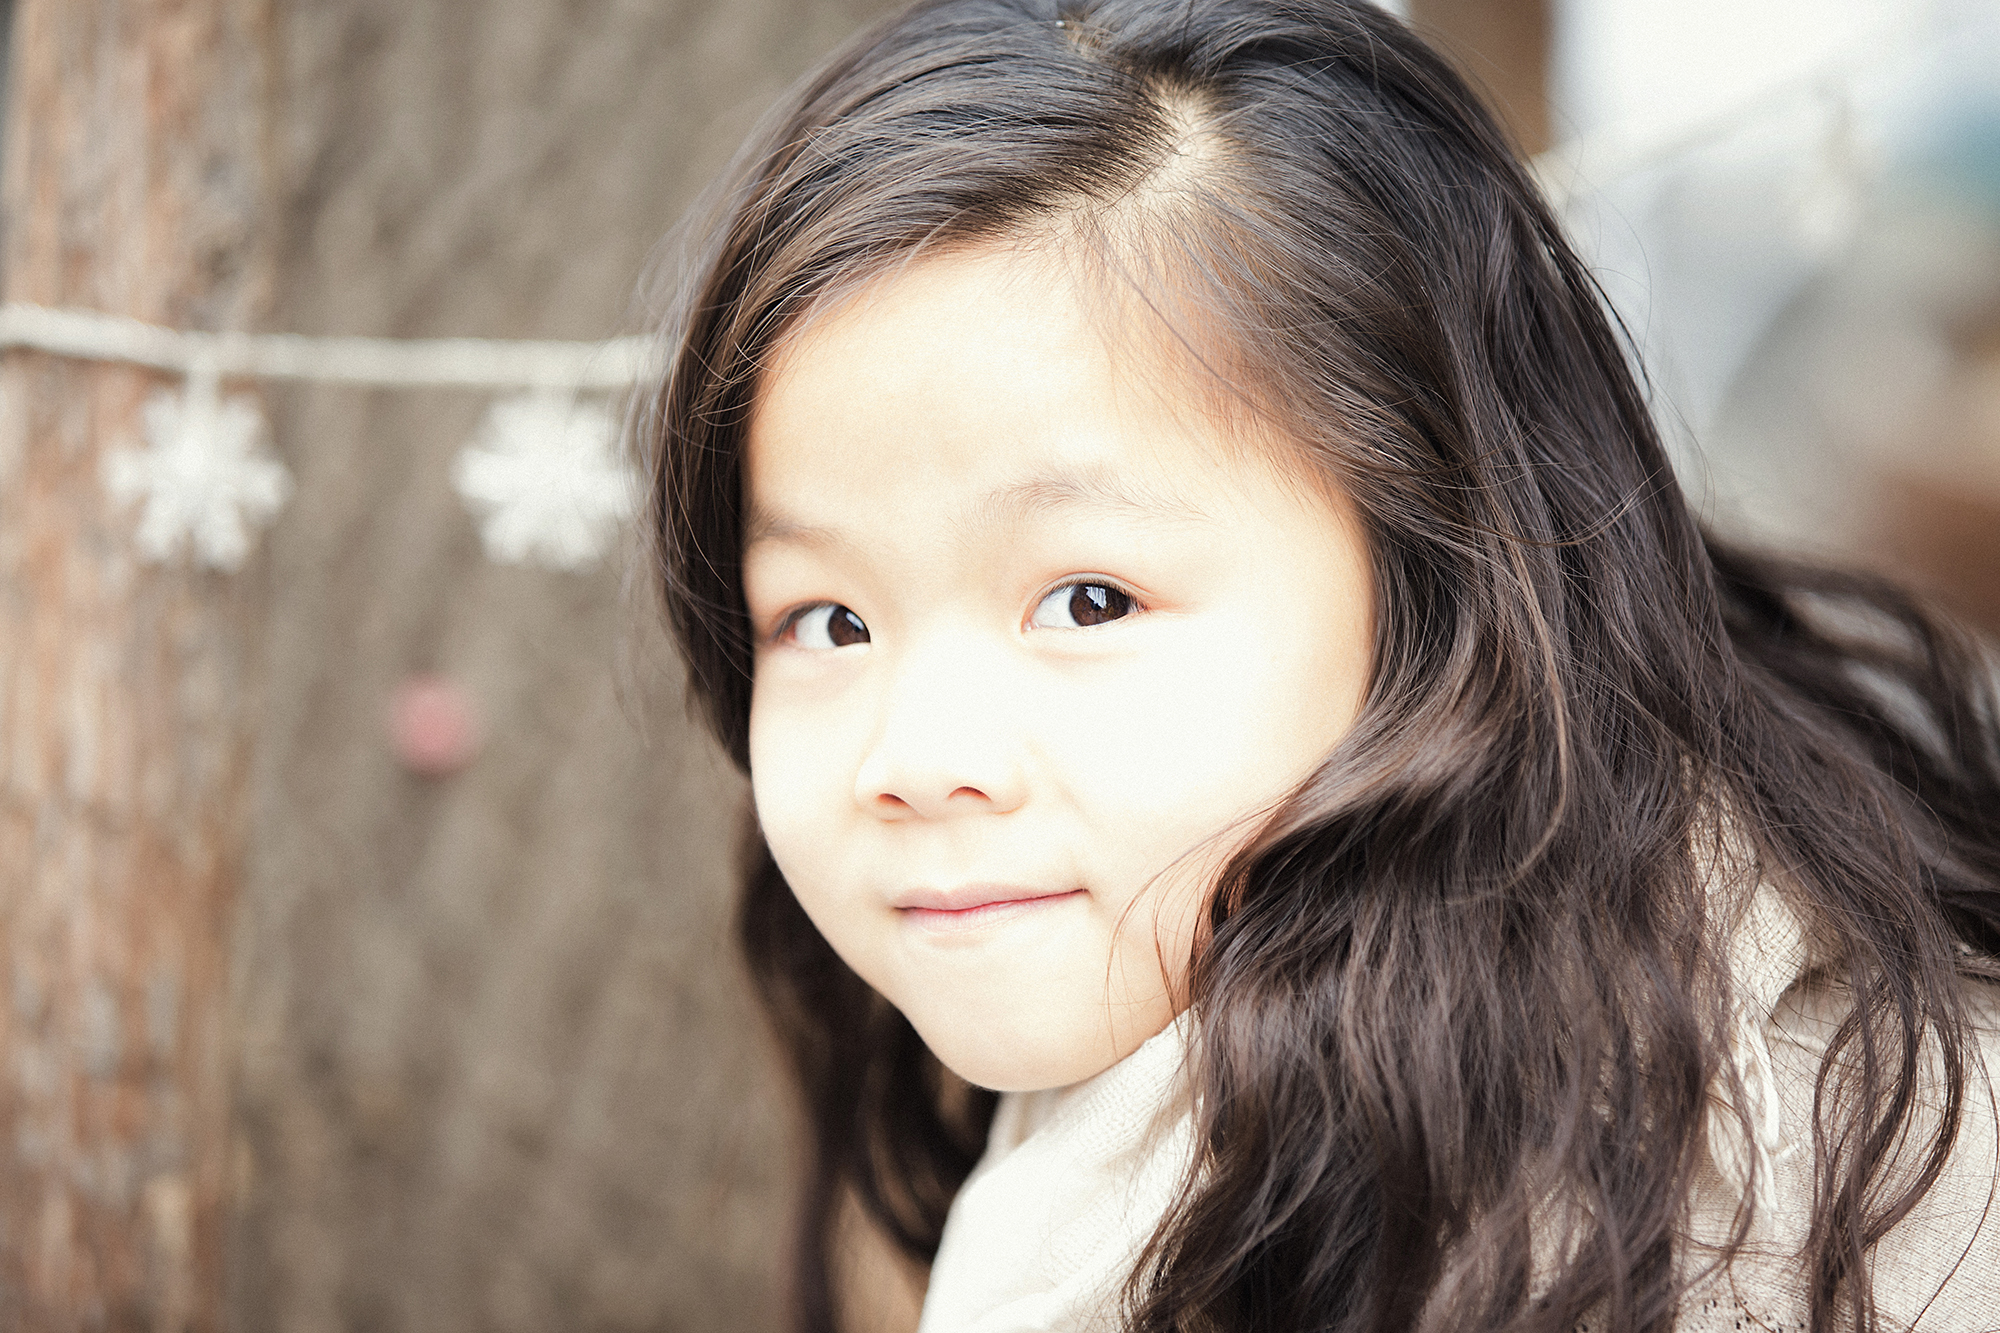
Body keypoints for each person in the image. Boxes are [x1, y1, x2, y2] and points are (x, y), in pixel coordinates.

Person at [642, 2, 2000, 1330]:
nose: (916, 760)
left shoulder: (1779, 1201)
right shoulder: (1123, 1099)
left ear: (1442, 578)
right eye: (828, 621)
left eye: (1089, 601)